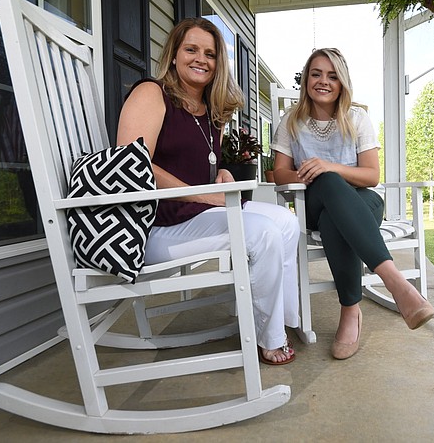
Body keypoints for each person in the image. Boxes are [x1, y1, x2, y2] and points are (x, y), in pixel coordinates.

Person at [116, 18, 300, 365]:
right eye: (191, 49)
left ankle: (283, 320)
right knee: (260, 234)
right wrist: (204, 195)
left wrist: (222, 174)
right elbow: (133, 167)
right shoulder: (152, 93)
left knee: (286, 223)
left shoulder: (207, 110)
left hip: (195, 215)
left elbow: (198, 166)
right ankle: (270, 337)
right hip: (156, 227)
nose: (201, 59)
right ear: (174, 55)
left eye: (210, 54)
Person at [271, 48, 434, 360]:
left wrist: (330, 167)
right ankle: (396, 283)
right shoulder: (290, 122)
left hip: (364, 204)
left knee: (336, 211)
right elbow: (279, 174)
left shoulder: (357, 118)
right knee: (329, 185)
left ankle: (350, 312)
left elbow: (371, 176)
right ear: (306, 79)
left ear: (342, 83)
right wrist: (308, 173)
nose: (323, 81)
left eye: (332, 76)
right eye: (316, 73)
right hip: (313, 207)